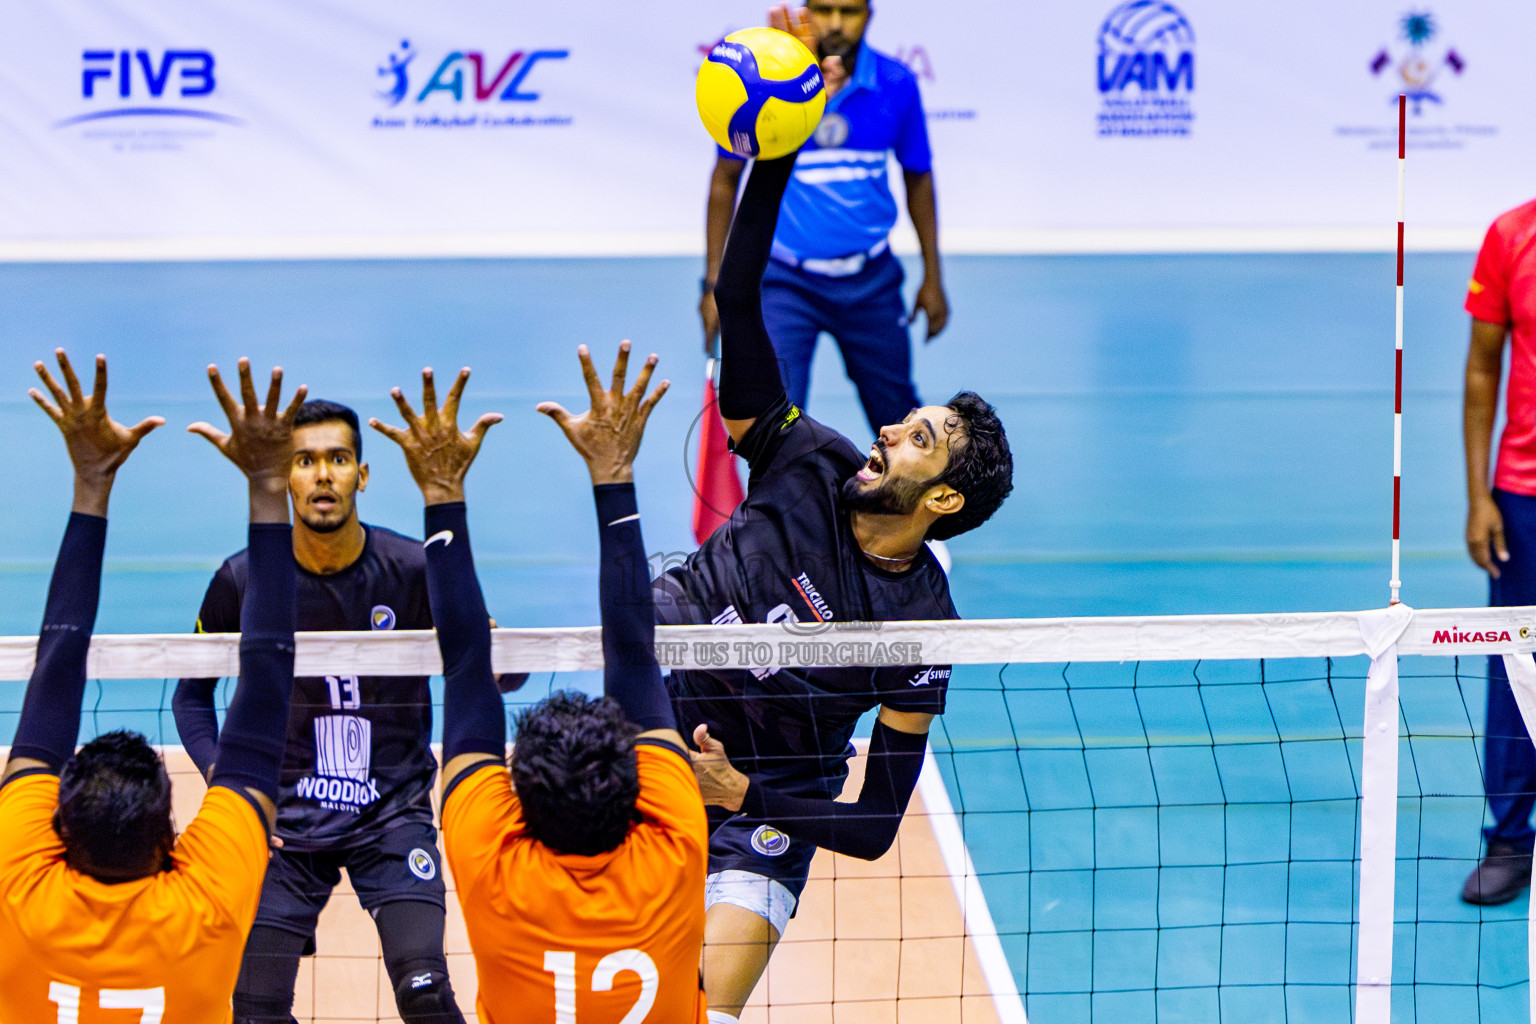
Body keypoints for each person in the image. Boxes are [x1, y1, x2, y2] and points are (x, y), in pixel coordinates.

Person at [669, 9, 1014, 1019]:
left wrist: (744, 798)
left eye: (917, 437)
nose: (889, 429)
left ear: (942, 500)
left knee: (705, 1005)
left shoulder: (921, 627)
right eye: (903, 421)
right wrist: (771, 145)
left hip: (764, 794)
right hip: (652, 714)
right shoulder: (806, 453)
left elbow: (868, 825)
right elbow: (741, 300)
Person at [369, 356, 709, 1023]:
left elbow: (467, 662)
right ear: (636, 788)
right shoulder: (677, 843)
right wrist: (615, 476)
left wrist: (442, 490)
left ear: (519, 798)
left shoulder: (495, 863)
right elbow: (635, 657)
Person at [0, 352, 302, 1021]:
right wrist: (267, 484)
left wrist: (89, 486)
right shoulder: (209, 902)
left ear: (57, 828)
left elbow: (51, 680)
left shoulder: (18, 885)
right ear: (170, 836)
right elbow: (269, 679)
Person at [171, 398, 473, 1023]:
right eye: (304, 461)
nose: (323, 476)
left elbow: (504, 673)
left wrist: (488, 645)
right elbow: (189, 696)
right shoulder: (243, 579)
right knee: (252, 1009)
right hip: (283, 824)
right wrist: (236, 793)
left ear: (362, 474)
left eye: (338, 459)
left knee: (427, 995)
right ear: (283, 475)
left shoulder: (415, 569)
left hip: (392, 814)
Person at [699, 0, 948, 439]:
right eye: (823, 9)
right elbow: (725, 182)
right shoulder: (767, 85)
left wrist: (933, 276)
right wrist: (714, 285)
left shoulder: (896, 83)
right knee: (771, 425)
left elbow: (918, 181)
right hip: (784, 284)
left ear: (869, 14)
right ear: (805, 10)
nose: (835, 24)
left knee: (899, 421)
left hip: (871, 280)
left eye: (848, 10)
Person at [1461, 196, 1536, 905]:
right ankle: (1512, 838)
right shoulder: (1512, 236)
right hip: (1524, 496)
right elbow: (1484, 366)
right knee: (1515, 668)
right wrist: (1480, 495)